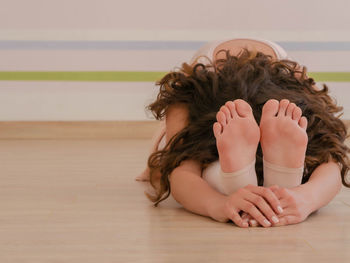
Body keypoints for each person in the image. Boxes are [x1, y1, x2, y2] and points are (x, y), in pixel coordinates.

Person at [136, 38, 350, 227]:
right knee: (173, 165)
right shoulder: (187, 97)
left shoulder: (298, 92)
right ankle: (270, 180)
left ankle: (242, 178)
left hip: (272, 106)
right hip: (205, 123)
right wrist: (219, 204)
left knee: (205, 171)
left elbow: (332, 157)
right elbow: (180, 170)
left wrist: (305, 199)